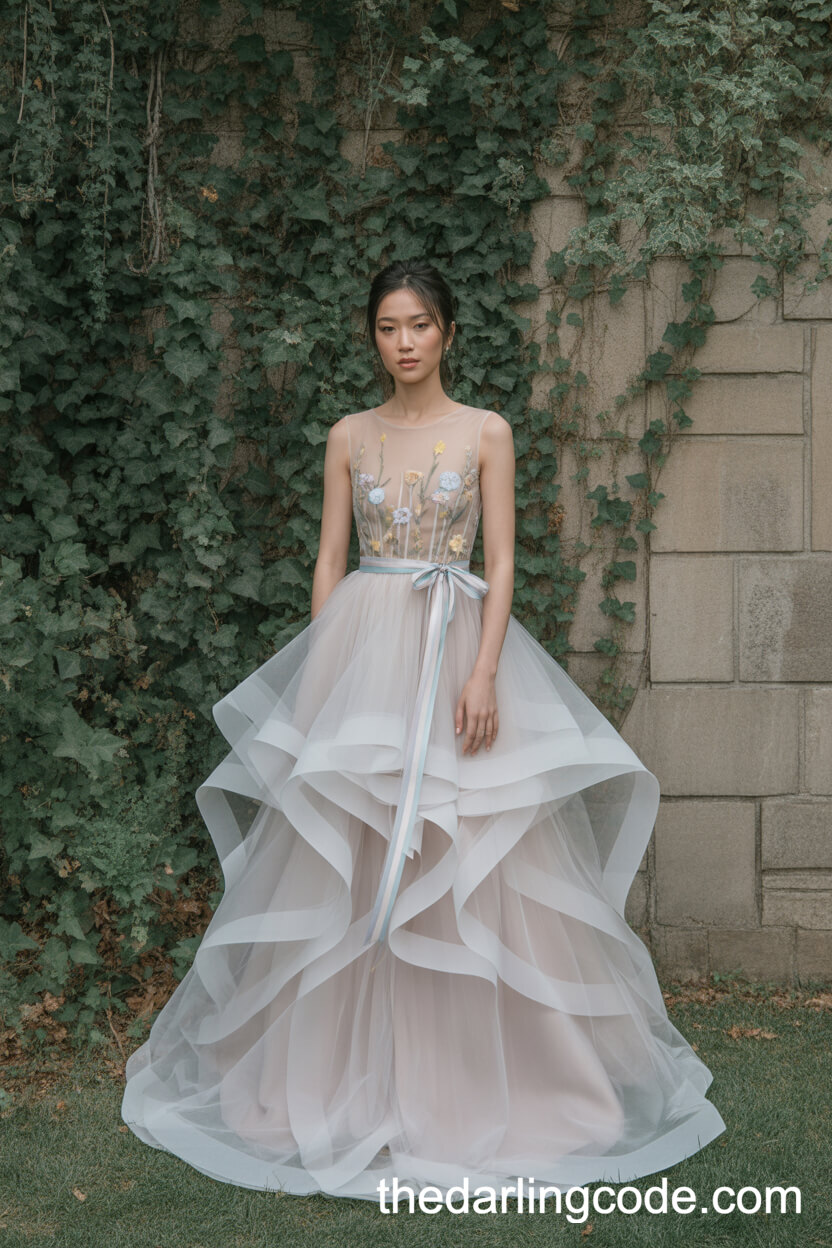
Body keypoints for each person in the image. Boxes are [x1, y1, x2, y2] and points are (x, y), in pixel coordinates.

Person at [121, 258, 726, 1200]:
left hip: (452, 659)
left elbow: (505, 555)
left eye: (420, 326)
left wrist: (484, 671)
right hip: (364, 657)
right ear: (374, 336)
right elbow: (329, 559)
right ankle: (329, 1079)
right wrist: (325, 671)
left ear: (447, 331)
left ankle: (486, 1080)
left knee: (466, 848)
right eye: (387, 328)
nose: (403, 343)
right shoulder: (348, 436)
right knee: (357, 852)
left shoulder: (486, 431)